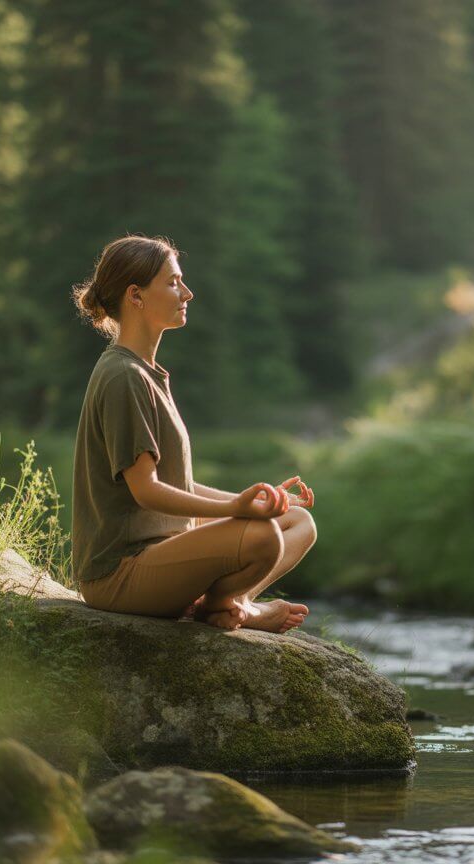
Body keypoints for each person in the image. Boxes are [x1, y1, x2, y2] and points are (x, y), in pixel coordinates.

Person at [69, 233, 314, 633]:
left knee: (298, 522)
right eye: (173, 282)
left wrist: (254, 501)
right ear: (136, 295)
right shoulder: (123, 376)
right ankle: (231, 607)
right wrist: (239, 511)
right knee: (264, 537)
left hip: (166, 550)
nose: (187, 293)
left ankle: (228, 604)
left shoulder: (145, 372)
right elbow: (146, 490)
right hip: (121, 574)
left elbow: (174, 483)